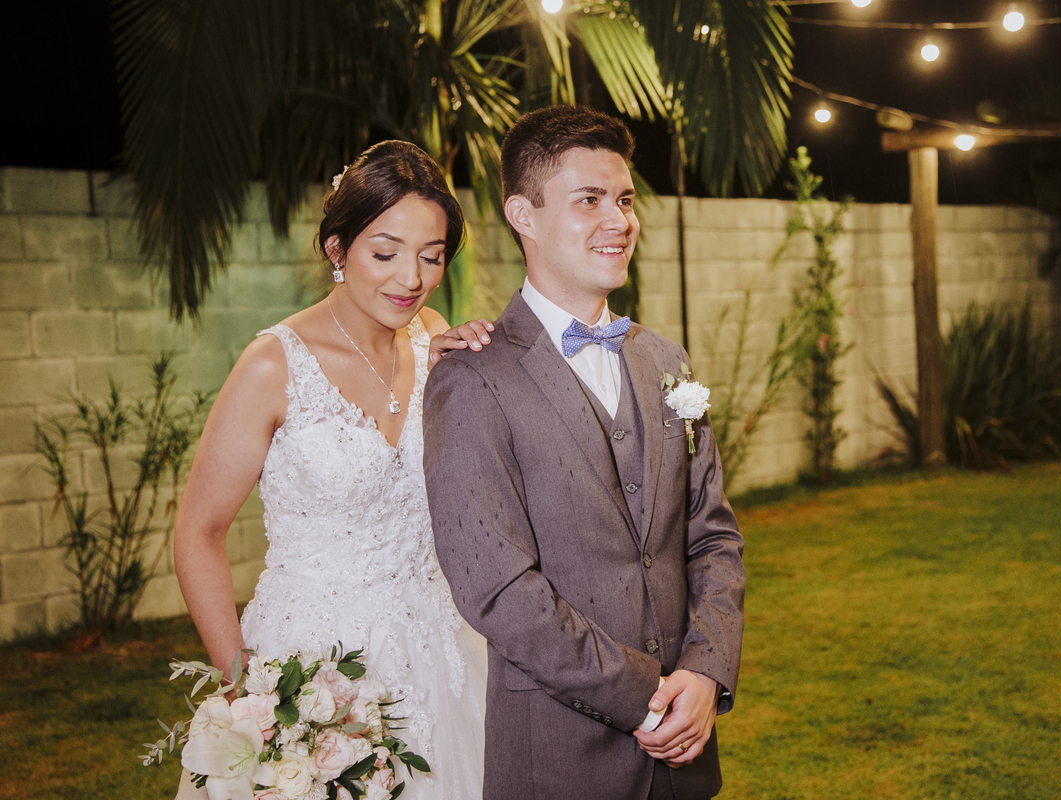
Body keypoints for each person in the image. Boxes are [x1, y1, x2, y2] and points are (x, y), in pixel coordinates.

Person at [423, 105, 745, 800]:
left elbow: (713, 537)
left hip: (684, 761)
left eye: (624, 200)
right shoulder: (473, 378)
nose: (619, 220)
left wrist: (704, 670)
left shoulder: (666, 361)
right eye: (589, 200)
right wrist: (646, 696)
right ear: (524, 215)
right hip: (559, 761)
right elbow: (497, 588)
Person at [173, 140, 492, 800]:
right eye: (386, 253)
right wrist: (246, 694)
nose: (411, 278)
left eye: (431, 255)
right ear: (337, 249)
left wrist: (472, 374)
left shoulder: (435, 337)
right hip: (315, 662)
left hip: (442, 648)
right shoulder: (273, 365)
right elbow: (198, 534)